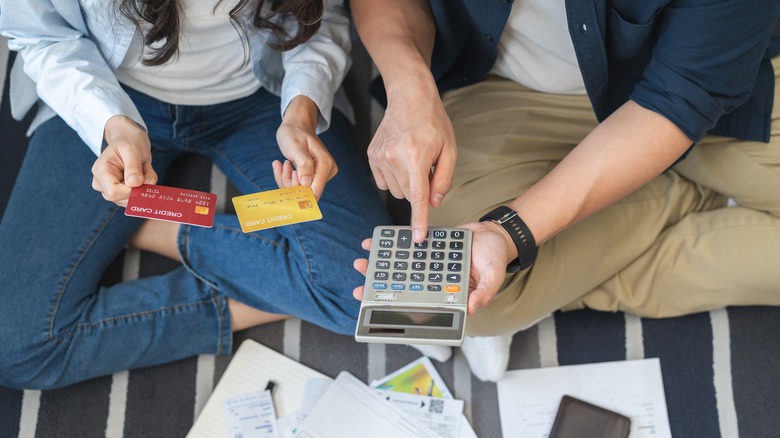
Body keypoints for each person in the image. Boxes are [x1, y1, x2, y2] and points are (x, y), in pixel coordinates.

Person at [350, 0, 780, 381]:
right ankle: (676, 195)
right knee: (460, 297)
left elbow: (683, 98)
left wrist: (511, 231)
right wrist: (410, 87)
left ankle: (569, 266)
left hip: (711, 90)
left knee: (491, 278)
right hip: (509, 93)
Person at [0, 0, 390, 389]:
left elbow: (325, 15)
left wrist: (300, 114)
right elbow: (42, 36)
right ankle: (294, 293)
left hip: (263, 98)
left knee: (374, 294)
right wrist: (111, 124)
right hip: (110, 91)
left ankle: (156, 226)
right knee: (19, 346)